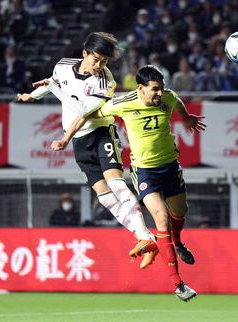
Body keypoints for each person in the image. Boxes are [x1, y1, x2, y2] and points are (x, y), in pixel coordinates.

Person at [50, 65, 206, 302]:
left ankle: (178, 241)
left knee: (180, 211)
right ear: (140, 88)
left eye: (161, 89)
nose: (158, 94)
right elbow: (89, 113)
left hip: (171, 166)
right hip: (145, 172)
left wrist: (186, 118)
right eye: (154, 90)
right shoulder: (122, 103)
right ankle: (178, 284)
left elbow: (177, 102)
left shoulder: (168, 97)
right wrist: (66, 137)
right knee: (161, 218)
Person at [16, 32, 157, 269]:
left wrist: (63, 139)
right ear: (84, 54)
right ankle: (146, 238)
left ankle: (144, 235)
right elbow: (53, 82)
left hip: (101, 135)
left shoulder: (105, 82)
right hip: (80, 143)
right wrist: (32, 95)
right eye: (96, 59)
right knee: (105, 199)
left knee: (117, 184)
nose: (99, 65)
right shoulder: (62, 66)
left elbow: (84, 114)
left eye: (104, 61)